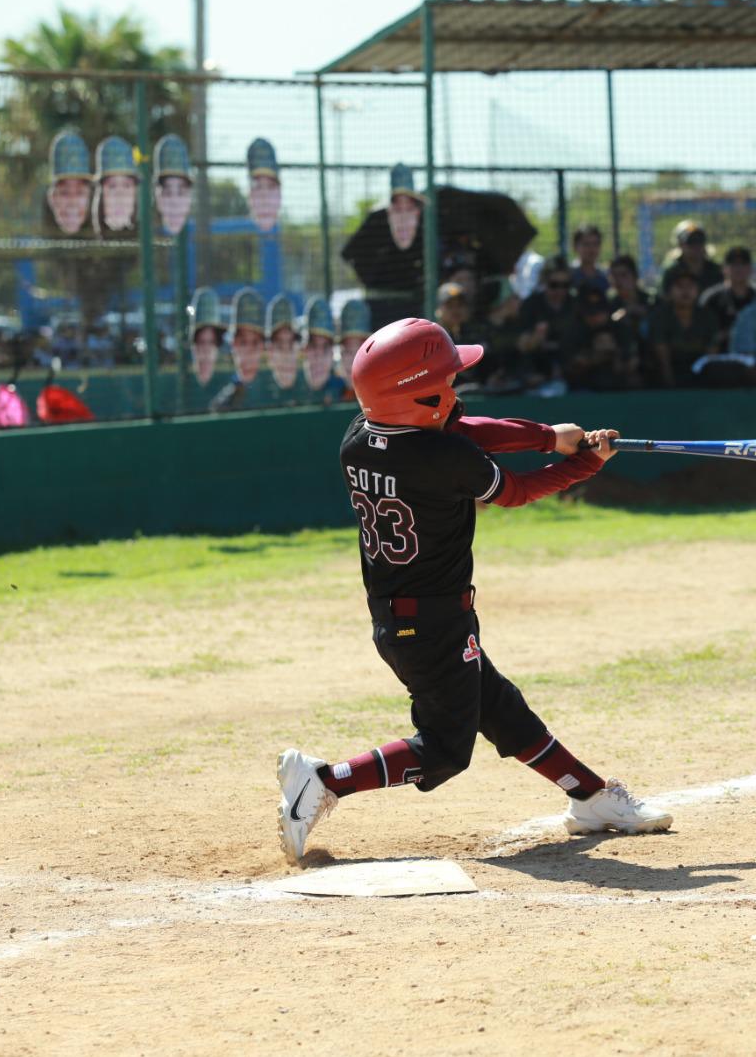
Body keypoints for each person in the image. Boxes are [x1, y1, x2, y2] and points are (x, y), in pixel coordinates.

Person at [275, 319, 671, 864]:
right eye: (447, 381)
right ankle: (323, 781)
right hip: (431, 624)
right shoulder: (444, 459)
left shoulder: (359, 435)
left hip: (406, 617)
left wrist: (548, 436)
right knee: (444, 749)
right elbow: (515, 490)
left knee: (502, 711)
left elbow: (464, 429)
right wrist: (584, 463)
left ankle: (591, 797)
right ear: (420, 396)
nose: (455, 387)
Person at [648, 265, 720, 387]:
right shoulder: (660, 316)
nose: (685, 291)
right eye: (680, 286)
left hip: (701, 375)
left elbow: (712, 354)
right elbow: (662, 358)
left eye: (690, 286)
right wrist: (670, 385)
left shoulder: (708, 316)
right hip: (667, 376)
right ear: (669, 291)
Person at [516, 256, 577, 384]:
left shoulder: (574, 305)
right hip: (536, 369)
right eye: (554, 285)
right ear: (544, 281)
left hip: (571, 370)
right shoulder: (531, 305)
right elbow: (522, 345)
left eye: (565, 285)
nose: (560, 290)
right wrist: (535, 339)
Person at [699, 245, 756, 336]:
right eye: (734, 264)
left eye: (743, 264)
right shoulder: (712, 298)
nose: (739, 268)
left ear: (750, 268)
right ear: (724, 268)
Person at [608, 254, 655, 353]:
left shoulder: (651, 300)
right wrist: (625, 312)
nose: (618, 280)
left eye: (623, 275)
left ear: (635, 276)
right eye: (614, 276)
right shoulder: (609, 304)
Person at [660, 223, 723, 296]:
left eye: (700, 241)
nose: (696, 246)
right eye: (691, 242)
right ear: (680, 245)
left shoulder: (716, 271)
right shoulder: (672, 273)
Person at [569, 224, 608, 293]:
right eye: (586, 244)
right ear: (575, 247)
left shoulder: (605, 276)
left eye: (595, 244)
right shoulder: (567, 275)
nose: (592, 249)